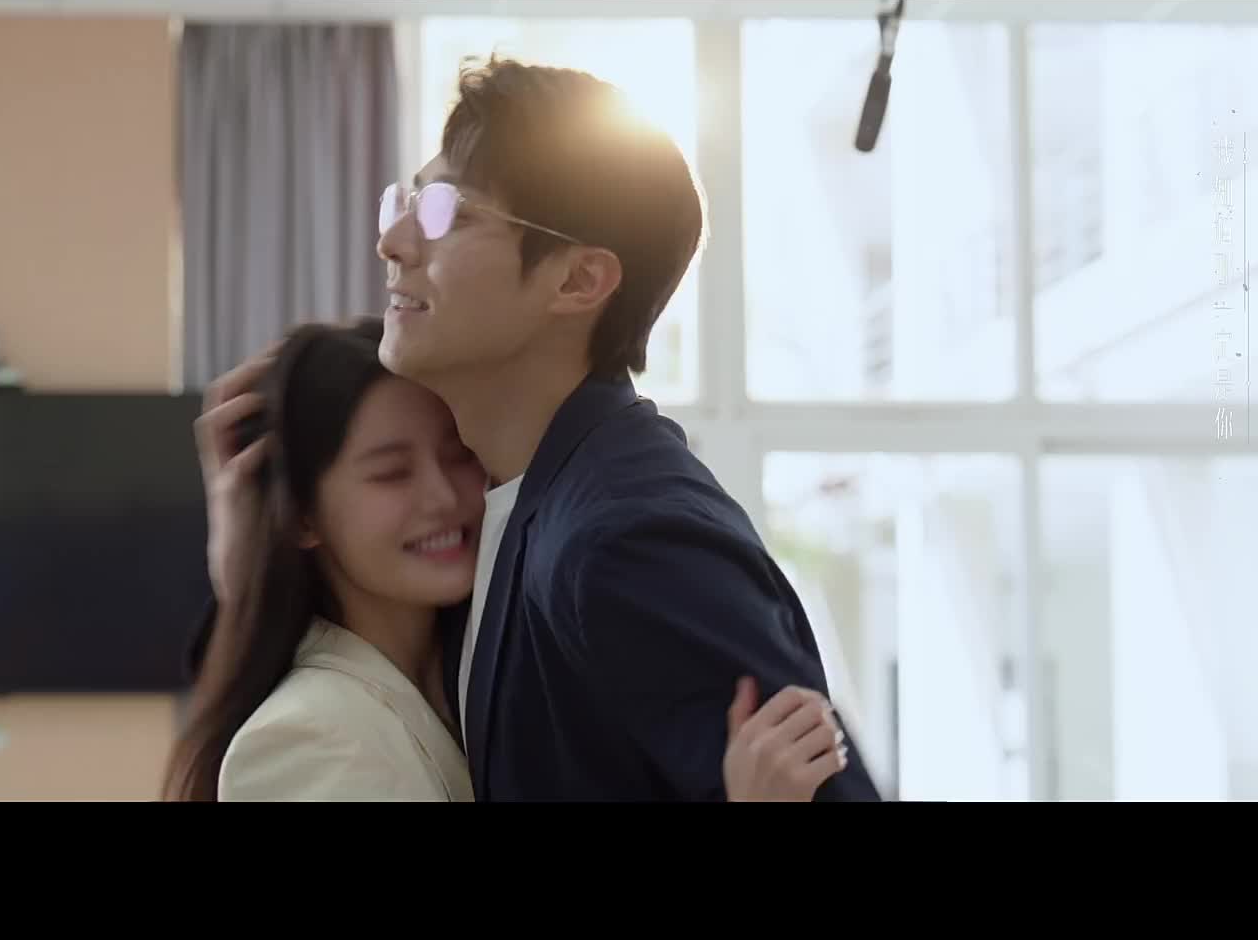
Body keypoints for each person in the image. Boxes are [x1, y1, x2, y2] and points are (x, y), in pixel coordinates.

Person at [370, 56, 884, 802]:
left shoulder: (628, 538)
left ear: (578, 280)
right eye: (409, 201)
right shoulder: (512, 495)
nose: (394, 240)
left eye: (450, 211)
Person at [164, 317, 851, 802]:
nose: (443, 497)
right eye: (391, 473)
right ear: (303, 516)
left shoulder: (478, 669)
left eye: (457, 454)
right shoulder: (307, 738)